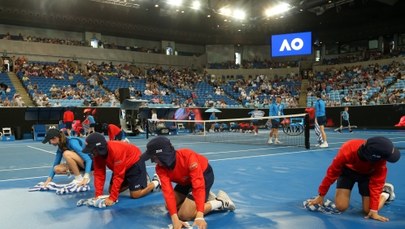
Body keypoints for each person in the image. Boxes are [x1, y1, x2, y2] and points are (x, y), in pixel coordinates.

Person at [141, 136, 236, 229]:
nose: (153, 161)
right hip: (186, 181)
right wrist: (175, 220)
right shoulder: (160, 168)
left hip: (203, 176)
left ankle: (220, 201)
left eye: (154, 158)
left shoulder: (188, 156)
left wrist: (199, 216)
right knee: (169, 207)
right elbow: (167, 192)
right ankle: (203, 199)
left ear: (164, 156)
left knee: (184, 215)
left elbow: (198, 185)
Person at [307, 136, 401, 222]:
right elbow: (332, 173)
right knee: (341, 206)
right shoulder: (347, 150)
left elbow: (377, 184)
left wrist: (374, 210)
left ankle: (385, 193)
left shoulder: (380, 161)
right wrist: (321, 195)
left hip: (367, 175)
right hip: (347, 172)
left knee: (368, 210)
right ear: (373, 157)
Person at [82, 133, 160, 206]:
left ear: (99, 148)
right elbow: (99, 175)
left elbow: (118, 176)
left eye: (92, 150)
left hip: (134, 162)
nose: (91, 153)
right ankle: (135, 182)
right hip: (121, 166)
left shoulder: (116, 151)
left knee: (135, 195)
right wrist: (98, 195)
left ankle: (156, 181)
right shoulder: (98, 155)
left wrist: (113, 198)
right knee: (111, 190)